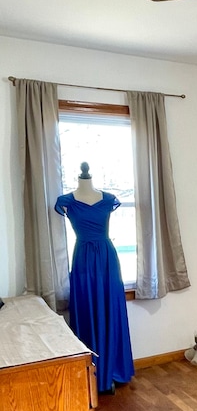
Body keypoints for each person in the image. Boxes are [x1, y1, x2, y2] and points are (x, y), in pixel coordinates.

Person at [55, 162, 134, 393]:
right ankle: (93, 374)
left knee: (109, 310)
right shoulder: (65, 202)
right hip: (83, 260)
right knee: (88, 311)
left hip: (107, 259)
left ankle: (113, 370)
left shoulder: (109, 199)